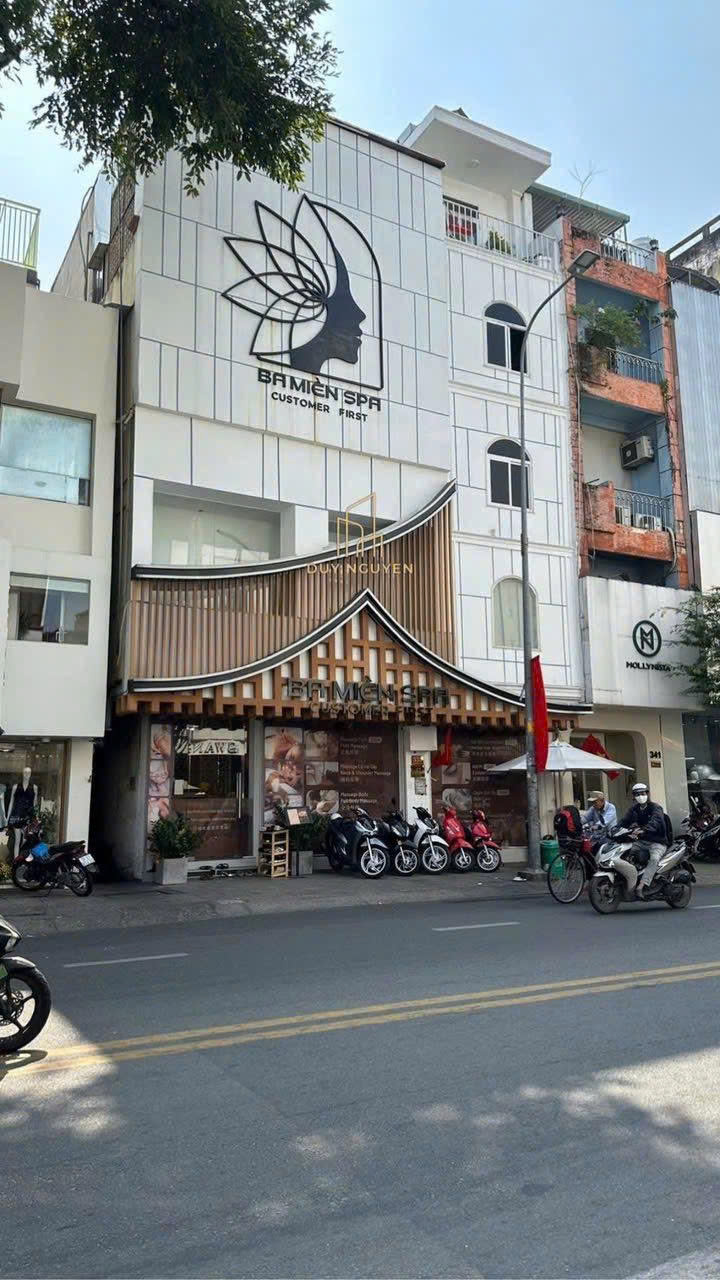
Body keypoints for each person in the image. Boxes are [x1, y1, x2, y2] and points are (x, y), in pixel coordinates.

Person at [620, 782, 668, 897]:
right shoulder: (634, 809)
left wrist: (644, 830)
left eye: (642, 793)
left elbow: (656, 822)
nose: (640, 796)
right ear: (634, 796)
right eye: (637, 794)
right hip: (641, 841)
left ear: (647, 793)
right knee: (624, 852)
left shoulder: (656, 808)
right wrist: (615, 829)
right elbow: (624, 821)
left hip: (657, 841)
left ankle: (642, 884)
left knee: (654, 859)